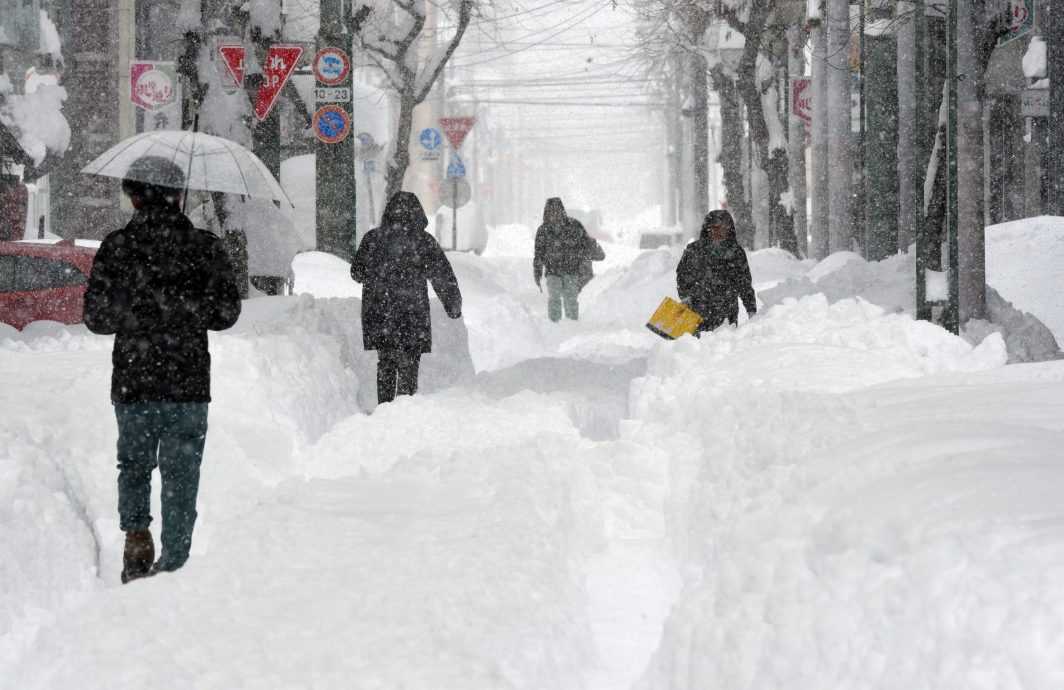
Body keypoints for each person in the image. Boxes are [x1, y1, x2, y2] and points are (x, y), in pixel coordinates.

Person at [83, 155, 242, 583]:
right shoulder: (204, 247)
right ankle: (174, 560)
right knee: (181, 472)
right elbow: (226, 314)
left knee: (133, 464)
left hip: (134, 380)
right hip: (188, 382)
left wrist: (137, 309)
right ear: (177, 195)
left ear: (131, 196)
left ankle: (137, 534)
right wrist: (185, 305)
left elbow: (97, 319)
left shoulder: (117, 246)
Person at [351, 192, 462, 405]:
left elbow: (357, 273)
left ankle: (384, 408)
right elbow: (441, 275)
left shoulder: (373, 239)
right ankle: (405, 408)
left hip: (380, 314)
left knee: (386, 362)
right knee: (409, 363)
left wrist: (378, 273)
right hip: (412, 315)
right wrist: (453, 305)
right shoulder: (423, 241)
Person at [676, 209, 757, 334]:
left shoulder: (737, 253)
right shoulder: (693, 250)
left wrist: (751, 311)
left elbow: (744, 283)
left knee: (722, 350)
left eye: (723, 227)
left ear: (729, 229)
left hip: (726, 315)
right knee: (694, 350)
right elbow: (682, 276)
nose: (719, 231)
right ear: (707, 228)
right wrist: (685, 296)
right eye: (715, 227)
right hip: (697, 313)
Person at [533, 198, 604, 321]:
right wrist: (537, 272)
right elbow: (539, 253)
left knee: (570, 299)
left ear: (561, 212)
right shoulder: (543, 231)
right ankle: (554, 324)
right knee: (554, 299)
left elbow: (586, 243)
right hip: (552, 272)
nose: (553, 215)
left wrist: (595, 251)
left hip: (571, 271)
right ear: (546, 213)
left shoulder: (574, 226)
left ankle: (572, 324)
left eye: (556, 212)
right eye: (550, 213)